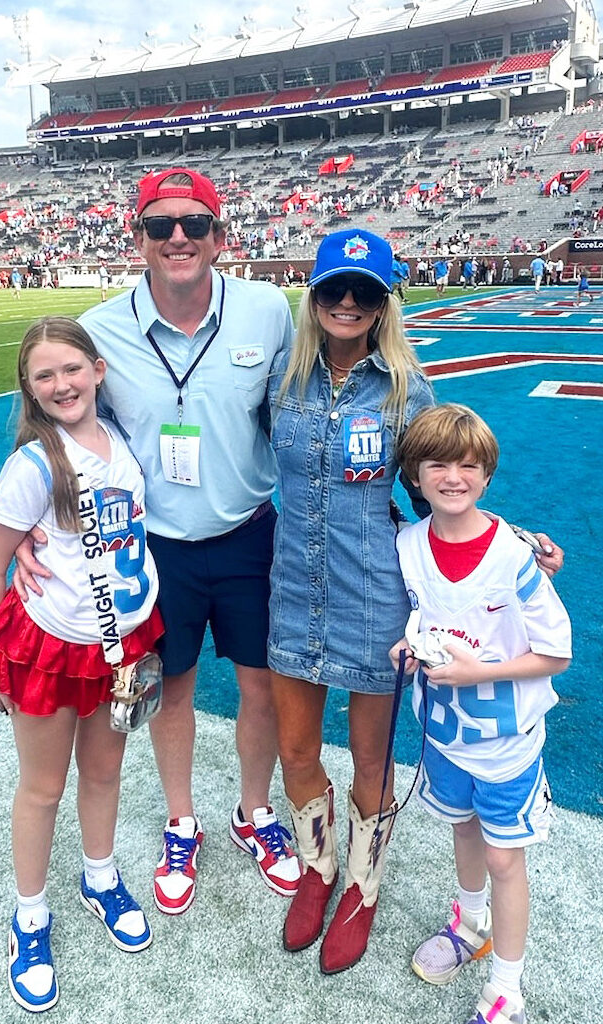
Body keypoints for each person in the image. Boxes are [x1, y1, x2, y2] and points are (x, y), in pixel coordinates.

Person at [14, 168, 301, 917]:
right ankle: (182, 821)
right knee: (166, 688)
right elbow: (59, 423)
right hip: (153, 546)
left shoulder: (269, 308)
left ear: (221, 236)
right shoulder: (101, 326)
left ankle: (252, 812)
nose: (179, 237)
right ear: (136, 238)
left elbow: (294, 412)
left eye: (195, 224)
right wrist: (24, 530)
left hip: (247, 530)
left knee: (259, 684)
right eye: (161, 225)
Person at [0, 317, 163, 1013]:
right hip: (52, 644)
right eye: (44, 375)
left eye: (71, 369)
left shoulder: (122, 441)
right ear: (28, 388)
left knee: (106, 771)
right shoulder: (31, 463)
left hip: (120, 642)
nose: (61, 384)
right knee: (43, 787)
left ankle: (99, 875)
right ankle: (29, 917)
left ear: (98, 370)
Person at [268, 229, 435, 975]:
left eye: (363, 291)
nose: (346, 302)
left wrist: (505, 542)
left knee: (370, 758)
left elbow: (441, 489)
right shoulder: (281, 378)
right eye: (333, 288)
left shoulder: (406, 389)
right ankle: (318, 865)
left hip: (373, 594)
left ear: (382, 302)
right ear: (313, 296)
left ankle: (362, 885)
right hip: (291, 588)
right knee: (297, 749)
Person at [389, 403, 571, 1024]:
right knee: (462, 829)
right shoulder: (410, 544)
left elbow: (556, 651)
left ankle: (508, 989)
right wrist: (410, 649)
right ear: (414, 473)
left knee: (503, 856)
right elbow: (423, 616)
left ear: (487, 474)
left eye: (468, 465)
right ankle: (469, 926)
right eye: (437, 463)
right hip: (443, 733)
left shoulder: (514, 554)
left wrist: (478, 672)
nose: (453, 476)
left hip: (505, 740)